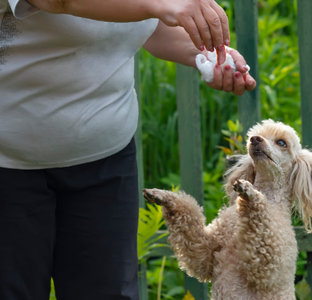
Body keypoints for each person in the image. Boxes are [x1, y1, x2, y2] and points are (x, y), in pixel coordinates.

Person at [0, 0, 256, 299]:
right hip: (10, 167)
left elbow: (147, 25)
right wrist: (161, 3)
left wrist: (207, 55)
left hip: (107, 161)